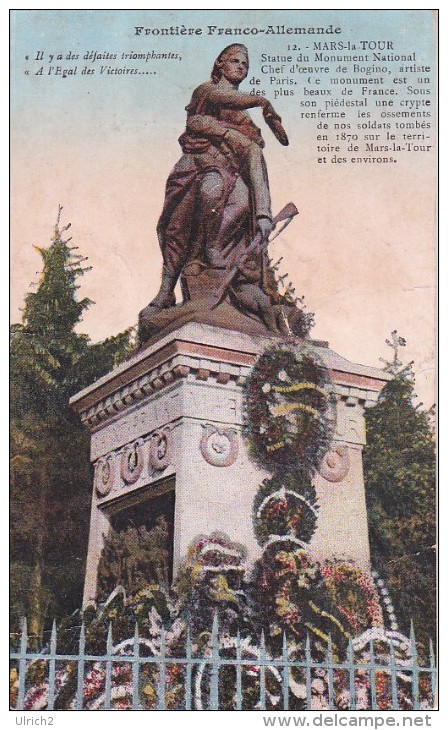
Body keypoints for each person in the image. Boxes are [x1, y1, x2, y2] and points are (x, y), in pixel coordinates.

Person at [147, 44, 288, 310]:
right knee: (189, 216)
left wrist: (264, 214)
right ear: (220, 64)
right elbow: (221, 102)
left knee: (241, 206)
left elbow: (255, 157)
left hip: (233, 174)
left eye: (245, 64)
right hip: (199, 167)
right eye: (235, 61)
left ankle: (217, 261)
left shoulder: (246, 122)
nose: (240, 67)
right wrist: (261, 101)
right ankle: (166, 291)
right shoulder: (206, 93)